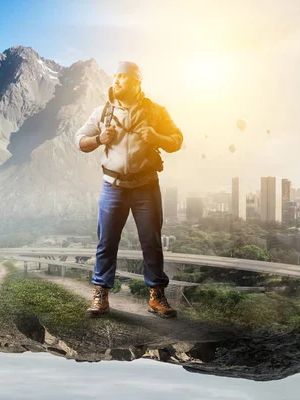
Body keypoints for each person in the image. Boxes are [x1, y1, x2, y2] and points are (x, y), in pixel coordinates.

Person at [74, 61, 183, 319]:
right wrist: (99, 139)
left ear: (137, 82)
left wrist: (156, 137)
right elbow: (79, 141)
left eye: (123, 77)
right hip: (113, 186)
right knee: (107, 242)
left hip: (147, 186)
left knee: (151, 242)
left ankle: (156, 296)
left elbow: (177, 140)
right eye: (115, 76)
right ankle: (101, 294)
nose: (116, 81)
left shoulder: (156, 112)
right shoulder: (102, 112)